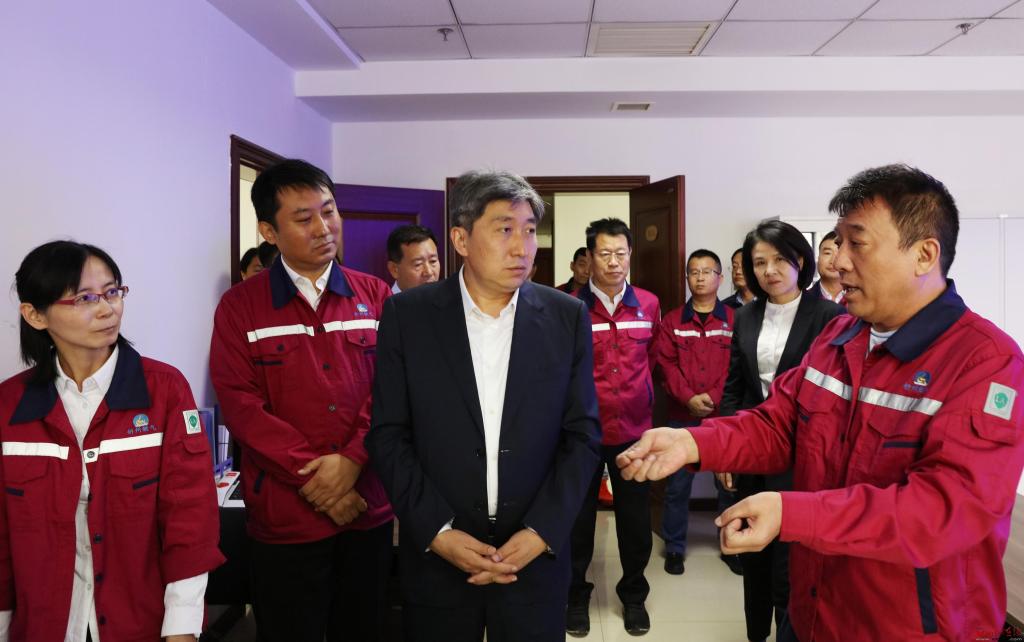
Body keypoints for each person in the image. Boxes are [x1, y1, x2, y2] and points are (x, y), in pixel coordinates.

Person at [618, 164, 1024, 642]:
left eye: (857, 244)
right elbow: (779, 424)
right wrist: (693, 443)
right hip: (814, 607)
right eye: (838, 242)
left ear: (923, 254)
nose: (839, 262)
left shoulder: (985, 363)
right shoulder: (840, 336)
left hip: (905, 626)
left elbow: (941, 510)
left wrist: (792, 514)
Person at [367, 170, 600, 642]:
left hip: (533, 558)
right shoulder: (408, 316)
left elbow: (582, 436)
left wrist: (541, 531)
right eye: (504, 230)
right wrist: (437, 531)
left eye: (529, 231)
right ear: (461, 239)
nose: (522, 248)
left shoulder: (566, 317)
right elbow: (389, 435)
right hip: (439, 557)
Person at [0, 240, 223, 641]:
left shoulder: (164, 390)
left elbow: (189, 522)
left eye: (113, 292)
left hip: (138, 623)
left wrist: (182, 629)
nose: (107, 309)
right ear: (35, 315)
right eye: (85, 298)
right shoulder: (10, 405)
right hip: (44, 626)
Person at [210, 159, 393, 642]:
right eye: (303, 218)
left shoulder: (375, 295)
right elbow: (241, 406)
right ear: (269, 231)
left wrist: (352, 461)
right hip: (286, 516)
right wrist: (318, 481)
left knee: (365, 629)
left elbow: (394, 390)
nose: (323, 228)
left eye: (329, 211)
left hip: (366, 504)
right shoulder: (240, 307)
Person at [717, 220, 843, 642]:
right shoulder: (745, 315)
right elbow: (735, 387)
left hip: (803, 455)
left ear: (800, 261)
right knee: (753, 557)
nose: (769, 270)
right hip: (753, 452)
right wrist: (726, 450)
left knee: (791, 564)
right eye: (759, 262)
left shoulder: (829, 317)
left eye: (778, 260)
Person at [568, 217, 660, 637]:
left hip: (634, 432)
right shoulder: (570, 306)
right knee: (578, 520)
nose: (613, 262)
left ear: (630, 254)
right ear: (589, 257)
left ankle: (634, 596)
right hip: (583, 433)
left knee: (635, 522)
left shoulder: (649, 304)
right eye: (604, 253)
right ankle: (575, 596)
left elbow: (652, 360)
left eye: (620, 253)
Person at [651, 249, 736, 576]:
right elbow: (666, 365)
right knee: (676, 486)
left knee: (727, 484)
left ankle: (730, 544)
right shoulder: (672, 321)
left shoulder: (734, 320)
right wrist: (688, 398)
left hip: (722, 417)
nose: (699, 278)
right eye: (694, 272)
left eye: (706, 272)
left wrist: (713, 397)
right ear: (687, 278)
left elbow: (736, 365)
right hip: (682, 416)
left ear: (720, 278)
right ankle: (675, 547)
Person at [386, 224, 440, 293]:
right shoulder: (385, 299)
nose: (429, 272)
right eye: (418, 264)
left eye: (433, 261)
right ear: (394, 270)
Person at [806, 231, 845, 305]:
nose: (833, 261)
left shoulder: (864, 300)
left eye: (839, 253)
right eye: (827, 253)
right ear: (818, 258)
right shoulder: (802, 301)